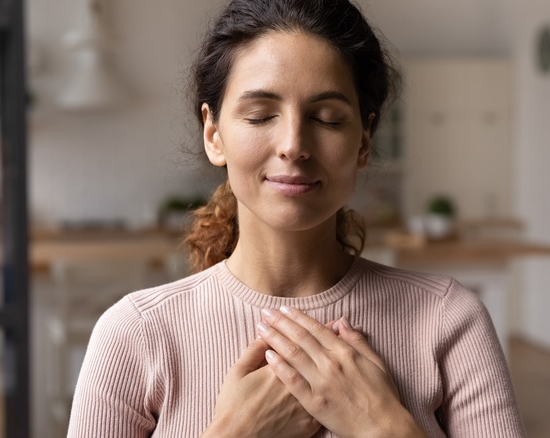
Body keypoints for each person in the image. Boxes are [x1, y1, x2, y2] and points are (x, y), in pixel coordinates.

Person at [67, 0, 526, 436]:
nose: (293, 144)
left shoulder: (448, 321)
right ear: (214, 134)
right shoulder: (134, 335)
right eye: (261, 115)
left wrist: (384, 427)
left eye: (327, 118)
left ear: (363, 142)